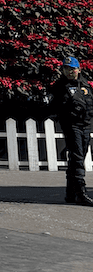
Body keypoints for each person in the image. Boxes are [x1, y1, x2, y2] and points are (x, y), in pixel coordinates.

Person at [50, 56, 93, 206]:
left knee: (77, 158)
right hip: (72, 126)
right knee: (78, 157)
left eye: (72, 69)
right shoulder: (60, 86)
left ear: (78, 69)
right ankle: (81, 193)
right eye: (66, 68)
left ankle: (70, 194)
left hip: (85, 125)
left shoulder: (85, 84)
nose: (69, 72)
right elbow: (55, 107)